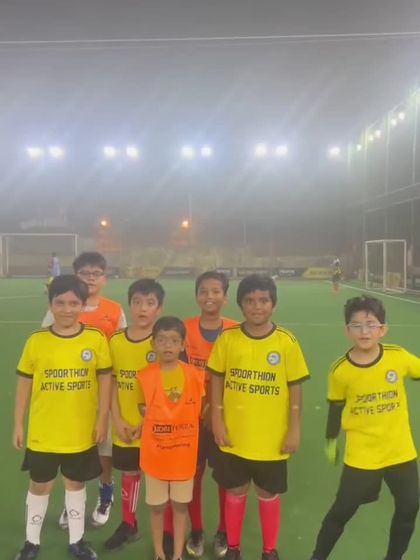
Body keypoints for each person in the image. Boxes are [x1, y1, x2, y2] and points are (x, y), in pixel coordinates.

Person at [308, 295, 420, 560]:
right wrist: (330, 440)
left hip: (400, 451)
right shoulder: (340, 371)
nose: (364, 331)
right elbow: (336, 406)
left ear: (383, 329)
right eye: (356, 325)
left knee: (409, 507)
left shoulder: (398, 357)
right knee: (342, 511)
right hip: (362, 455)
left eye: (371, 324)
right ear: (347, 330)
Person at [208, 274, 310, 560]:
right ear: (240, 304)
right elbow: (216, 380)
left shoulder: (286, 342)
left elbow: (295, 390)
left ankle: (269, 551)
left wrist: (294, 429)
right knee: (235, 490)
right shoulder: (228, 339)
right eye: (250, 300)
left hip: (271, 440)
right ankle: (234, 548)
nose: (257, 306)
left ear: (273, 304)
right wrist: (217, 419)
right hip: (235, 437)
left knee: (267, 493)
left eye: (263, 300)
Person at [13, 275, 112, 560]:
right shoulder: (37, 341)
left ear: (83, 304)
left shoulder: (95, 339)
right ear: (50, 305)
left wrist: (102, 419)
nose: (67, 309)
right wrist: (18, 423)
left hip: (80, 431)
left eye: (73, 303)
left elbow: (105, 380)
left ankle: (76, 541)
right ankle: (31, 543)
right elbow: (24, 382)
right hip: (44, 432)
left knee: (75, 484)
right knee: (40, 485)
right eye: (60, 303)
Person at [42, 251, 126, 529]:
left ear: (104, 278)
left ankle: (106, 493)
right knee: (74, 450)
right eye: (84, 273)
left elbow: (122, 349)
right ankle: (74, 503)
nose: (90, 278)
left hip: (104, 391)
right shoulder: (60, 307)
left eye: (96, 273)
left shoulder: (114, 310)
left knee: (104, 449)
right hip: (71, 393)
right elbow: (46, 346)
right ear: (75, 275)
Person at [164, 271, 236, 559]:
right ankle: (196, 530)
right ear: (196, 295)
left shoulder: (235, 331)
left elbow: (237, 376)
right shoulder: (184, 329)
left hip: (223, 417)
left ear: (225, 297)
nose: (210, 296)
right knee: (192, 475)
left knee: (225, 477)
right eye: (204, 291)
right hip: (189, 417)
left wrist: (214, 409)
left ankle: (223, 531)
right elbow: (176, 374)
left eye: (216, 291)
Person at [104, 278, 165, 551]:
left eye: (150, 303)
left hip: (155, 426)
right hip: (124, 425)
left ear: (159, 309)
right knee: (130, 473)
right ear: (129, 305)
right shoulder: (116, 341)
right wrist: (118, 420)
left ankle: (166, 533)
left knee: (159, 478)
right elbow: (111, 382)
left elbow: (167, 388)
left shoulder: (162, 343)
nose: (142, 308)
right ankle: (129, 525)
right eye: (137, 302)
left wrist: (145, 422)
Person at [138, 316, 205, 560]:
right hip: (155, 455)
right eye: (162, 340)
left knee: (179, 507)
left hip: (183, 455)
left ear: (183, 344)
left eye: (174, 341)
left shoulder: (195, 375)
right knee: (157, 508)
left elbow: (200, 409)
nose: (168, 346)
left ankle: (177, 554)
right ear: (153, 343)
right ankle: (159, 552)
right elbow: (143, 409)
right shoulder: (145, 376)